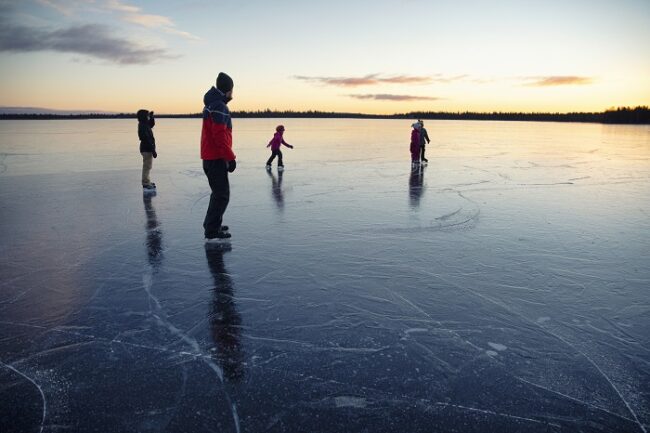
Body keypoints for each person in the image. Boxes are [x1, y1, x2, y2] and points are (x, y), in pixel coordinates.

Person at [201, 72, 237, 241]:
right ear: (227, 90)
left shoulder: (211, 104)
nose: (233, 94)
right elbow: (219, 136)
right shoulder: (220, 107)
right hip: (215, 158)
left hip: (210, 157)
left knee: (218, 193)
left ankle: (212, 224)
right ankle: (212, 231)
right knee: (222, 195)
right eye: (232, 90)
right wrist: (230, 158)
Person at [137, 109, 157, 191]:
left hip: (147, 148)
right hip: (146, 148)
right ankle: (145, 183)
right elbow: (146, 139)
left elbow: (151, 124)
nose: (148, 117)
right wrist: (153, 150)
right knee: (147, 166)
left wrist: (152, 117)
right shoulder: (143, 125)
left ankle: (147, 181)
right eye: (147, 115)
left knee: (148, 166)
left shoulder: (144, 124)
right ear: (144, 116)